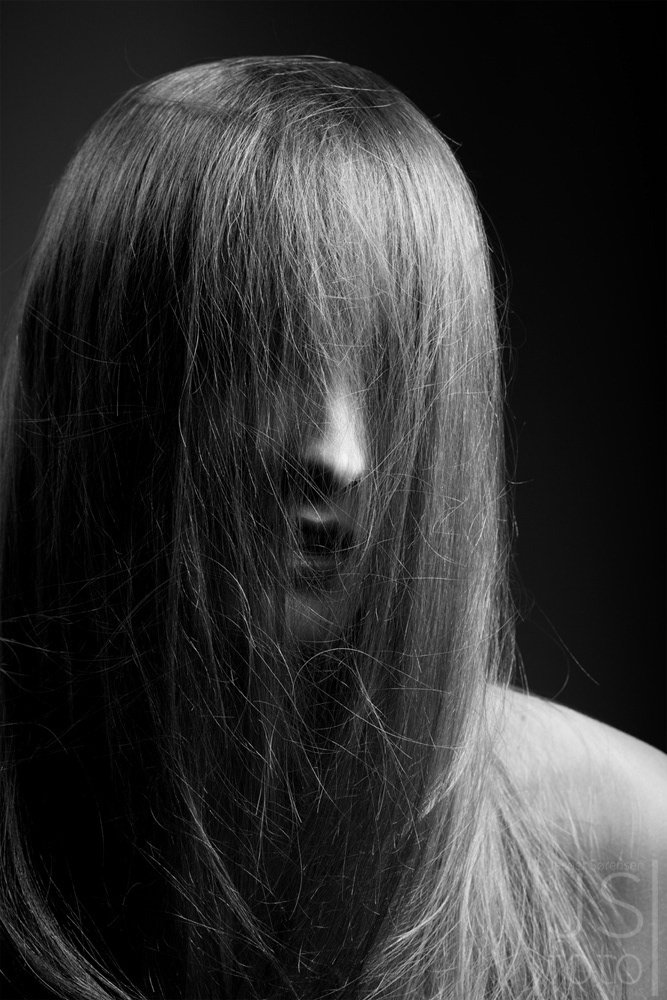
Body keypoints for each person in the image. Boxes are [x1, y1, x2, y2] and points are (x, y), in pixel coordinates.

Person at [0, 55, 664, 1000]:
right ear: (112, 377)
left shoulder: (630, 853)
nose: (337, 452)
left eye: (391, 361)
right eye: (260, 347)